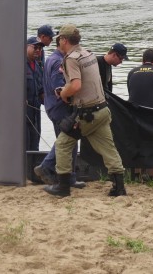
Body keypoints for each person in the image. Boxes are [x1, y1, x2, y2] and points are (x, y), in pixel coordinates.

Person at [44, 24, 127, 197]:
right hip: (103, 110)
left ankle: (63, 187)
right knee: (109, 149)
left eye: (59, 39)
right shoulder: (89, 54)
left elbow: (75, 85)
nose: (58, 42)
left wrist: (63, 93)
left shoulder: (71, 58)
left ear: (64, 40)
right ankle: (119, 188)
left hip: (86, 114)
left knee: (62, 144)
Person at [34, 29, 86, 189]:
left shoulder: (53, 58)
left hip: (53, 105)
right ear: (62, 42)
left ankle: (69, 178)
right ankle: (47, 167)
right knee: (66, 140)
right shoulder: (58, 62)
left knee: (69, 140)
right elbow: (60, 88)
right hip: (59, 107)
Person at [25, 36, 45, 151]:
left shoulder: (38, 67)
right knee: (25, 144)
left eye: (40, 48)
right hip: (24, 113)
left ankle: (32, 168)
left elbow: (41, 90)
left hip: (36, 111)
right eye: (35, 47)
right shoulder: (19, 65)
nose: (38, 50)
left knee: (35, 142)